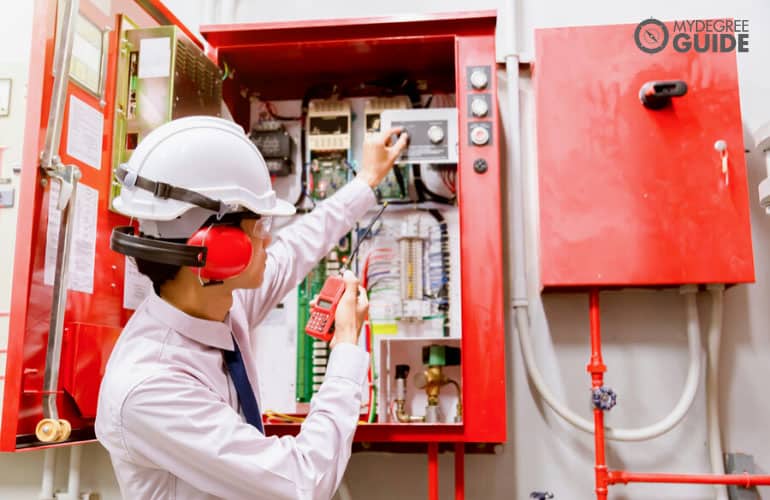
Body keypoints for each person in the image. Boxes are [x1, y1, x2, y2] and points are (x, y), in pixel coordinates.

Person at [95, 115, 408, 500]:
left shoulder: (220, 303)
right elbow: (303, 480)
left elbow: (297, 248)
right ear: (220, 249)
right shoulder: (150, 387)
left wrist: (366, 182)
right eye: (259, 227)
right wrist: (345, 344)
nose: (270, 237)